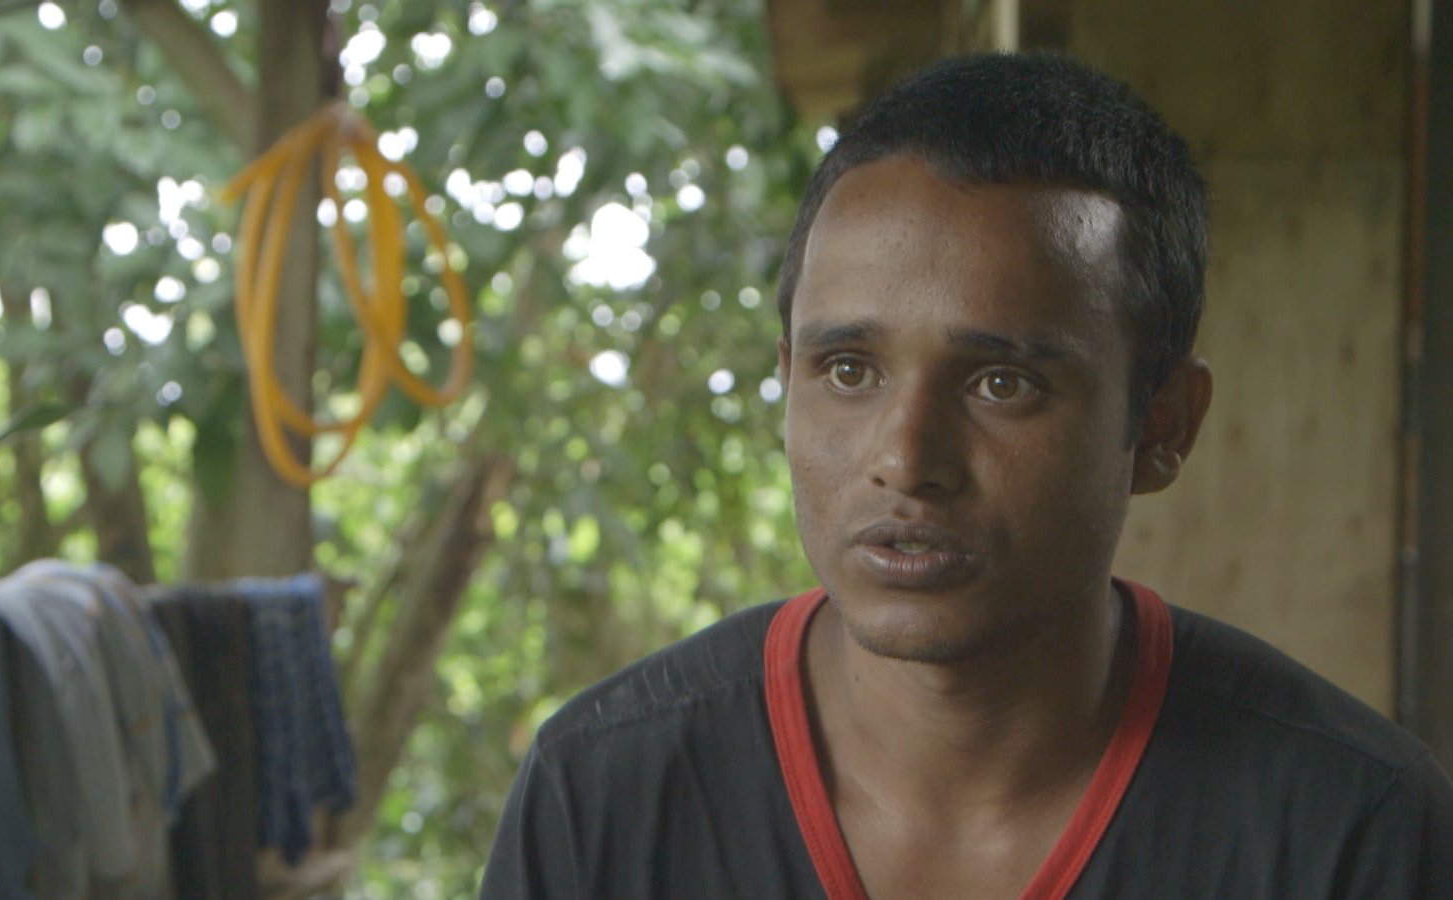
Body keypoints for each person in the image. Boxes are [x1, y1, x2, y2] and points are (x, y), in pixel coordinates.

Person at [479, 53, 1453, 899]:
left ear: (1162, 425)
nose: (905, 461)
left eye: (1001, 383)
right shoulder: (604, 795)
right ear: (786, 378)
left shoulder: (1349, 826)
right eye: (847, 371)